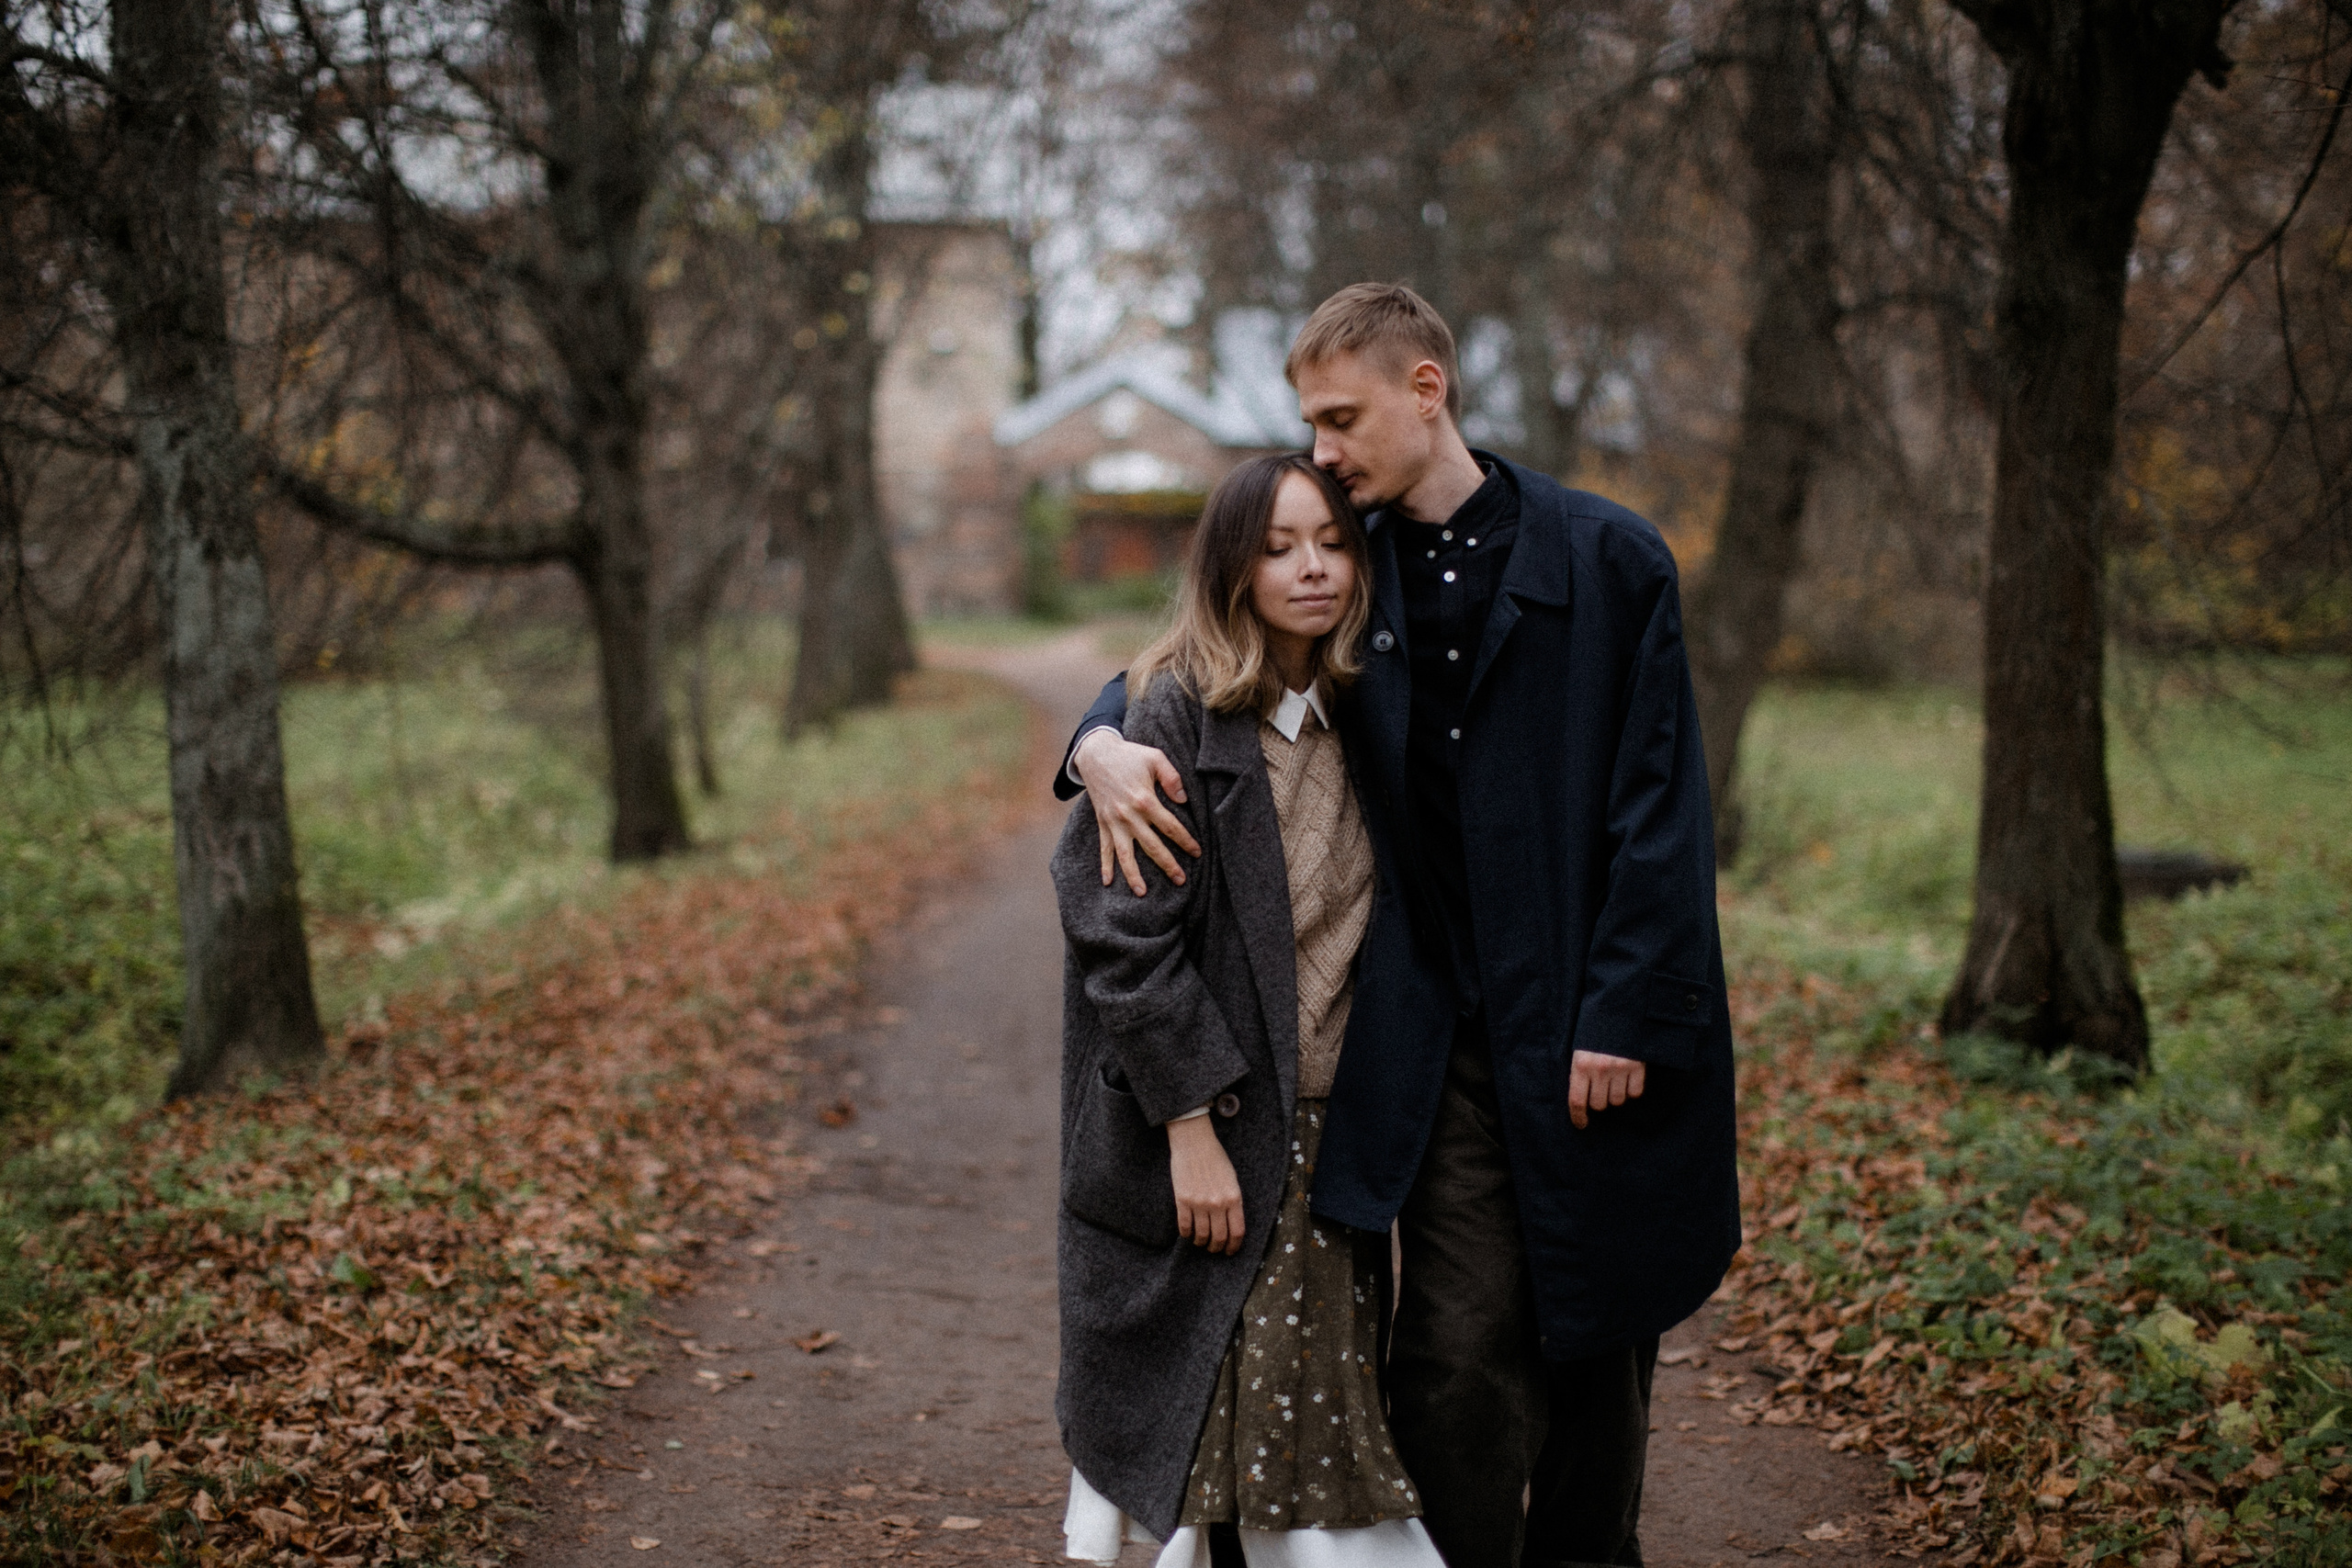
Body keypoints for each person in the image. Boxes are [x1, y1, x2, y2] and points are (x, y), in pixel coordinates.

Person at [1056, 285, 1742, 1568]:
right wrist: (1093, 738)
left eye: (1339, 416)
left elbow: (1664, 808)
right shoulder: (1352, 565)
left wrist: (1625, 1010)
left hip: (1601, 1031)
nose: (1320, 448)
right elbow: (1204, 644)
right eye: (1309, 422)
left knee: (1600, 1347)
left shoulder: (1609, 559)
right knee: (1453, 1357)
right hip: (1443, 1039)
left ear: (1425, 390)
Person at [1053, 451, 1447, 1568]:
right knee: (1247, 1415)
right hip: (1218, 1127)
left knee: (1296, 1420)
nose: (1311, 569)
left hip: (1342, 1126)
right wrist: (1189, 1130)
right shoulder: (1163, 722)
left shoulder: (1373, 710)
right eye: (1277, 549)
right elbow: (1124, 949)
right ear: (1231, 567)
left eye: (1329, 542)